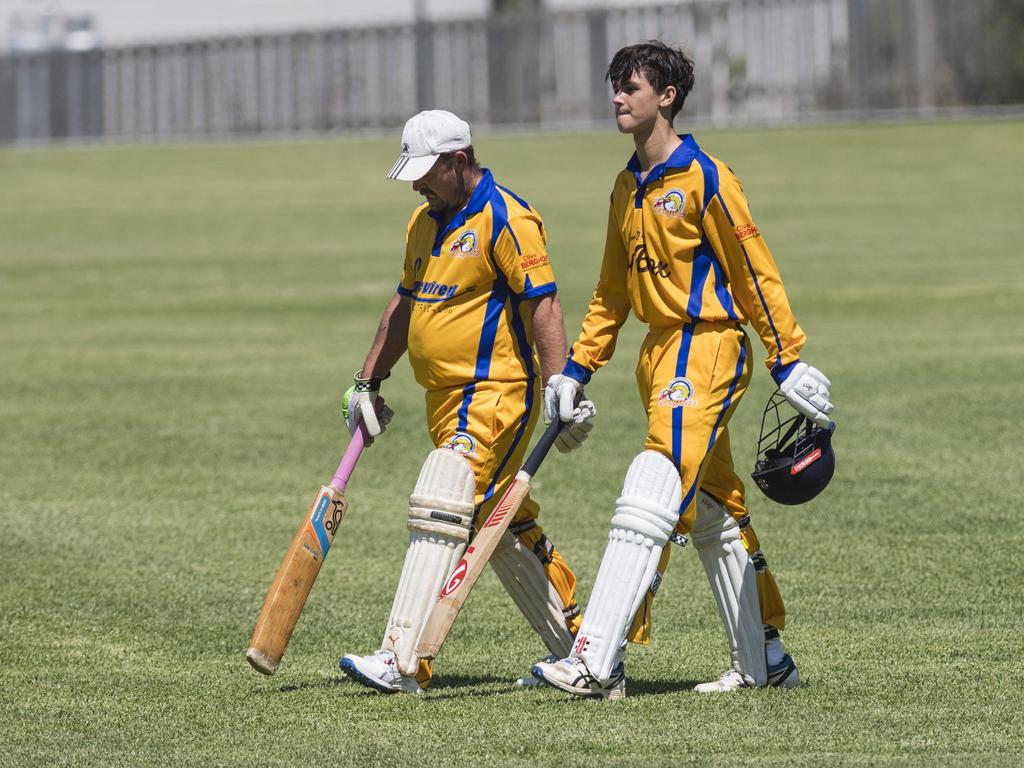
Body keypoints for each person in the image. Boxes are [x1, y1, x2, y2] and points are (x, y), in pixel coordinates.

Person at [533, 41, 835, 698]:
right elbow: (612, 291)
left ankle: (596, 660)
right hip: (659, 354)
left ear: (666, 97)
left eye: (631, 87)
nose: (618, 96)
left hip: (710, 347)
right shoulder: (626, 186)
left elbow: (755, 270)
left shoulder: (707, 177)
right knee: (711, 507)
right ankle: (765, 659)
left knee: (657, 480)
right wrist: (575, 370)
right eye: (615, 85)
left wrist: (788, 355)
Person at [338, 109, 594, 693]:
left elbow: (544, 304)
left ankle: (402, 659)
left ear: (459, 161)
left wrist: (560, 382)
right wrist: (367, 380)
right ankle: (588, 652)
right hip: (442, 400)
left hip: (496, 395)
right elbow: (406, 305)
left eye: (426, 172)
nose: (417, 184)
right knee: (495, 523)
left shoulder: (508, 217)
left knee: (442, 492)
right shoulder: (422, 223)